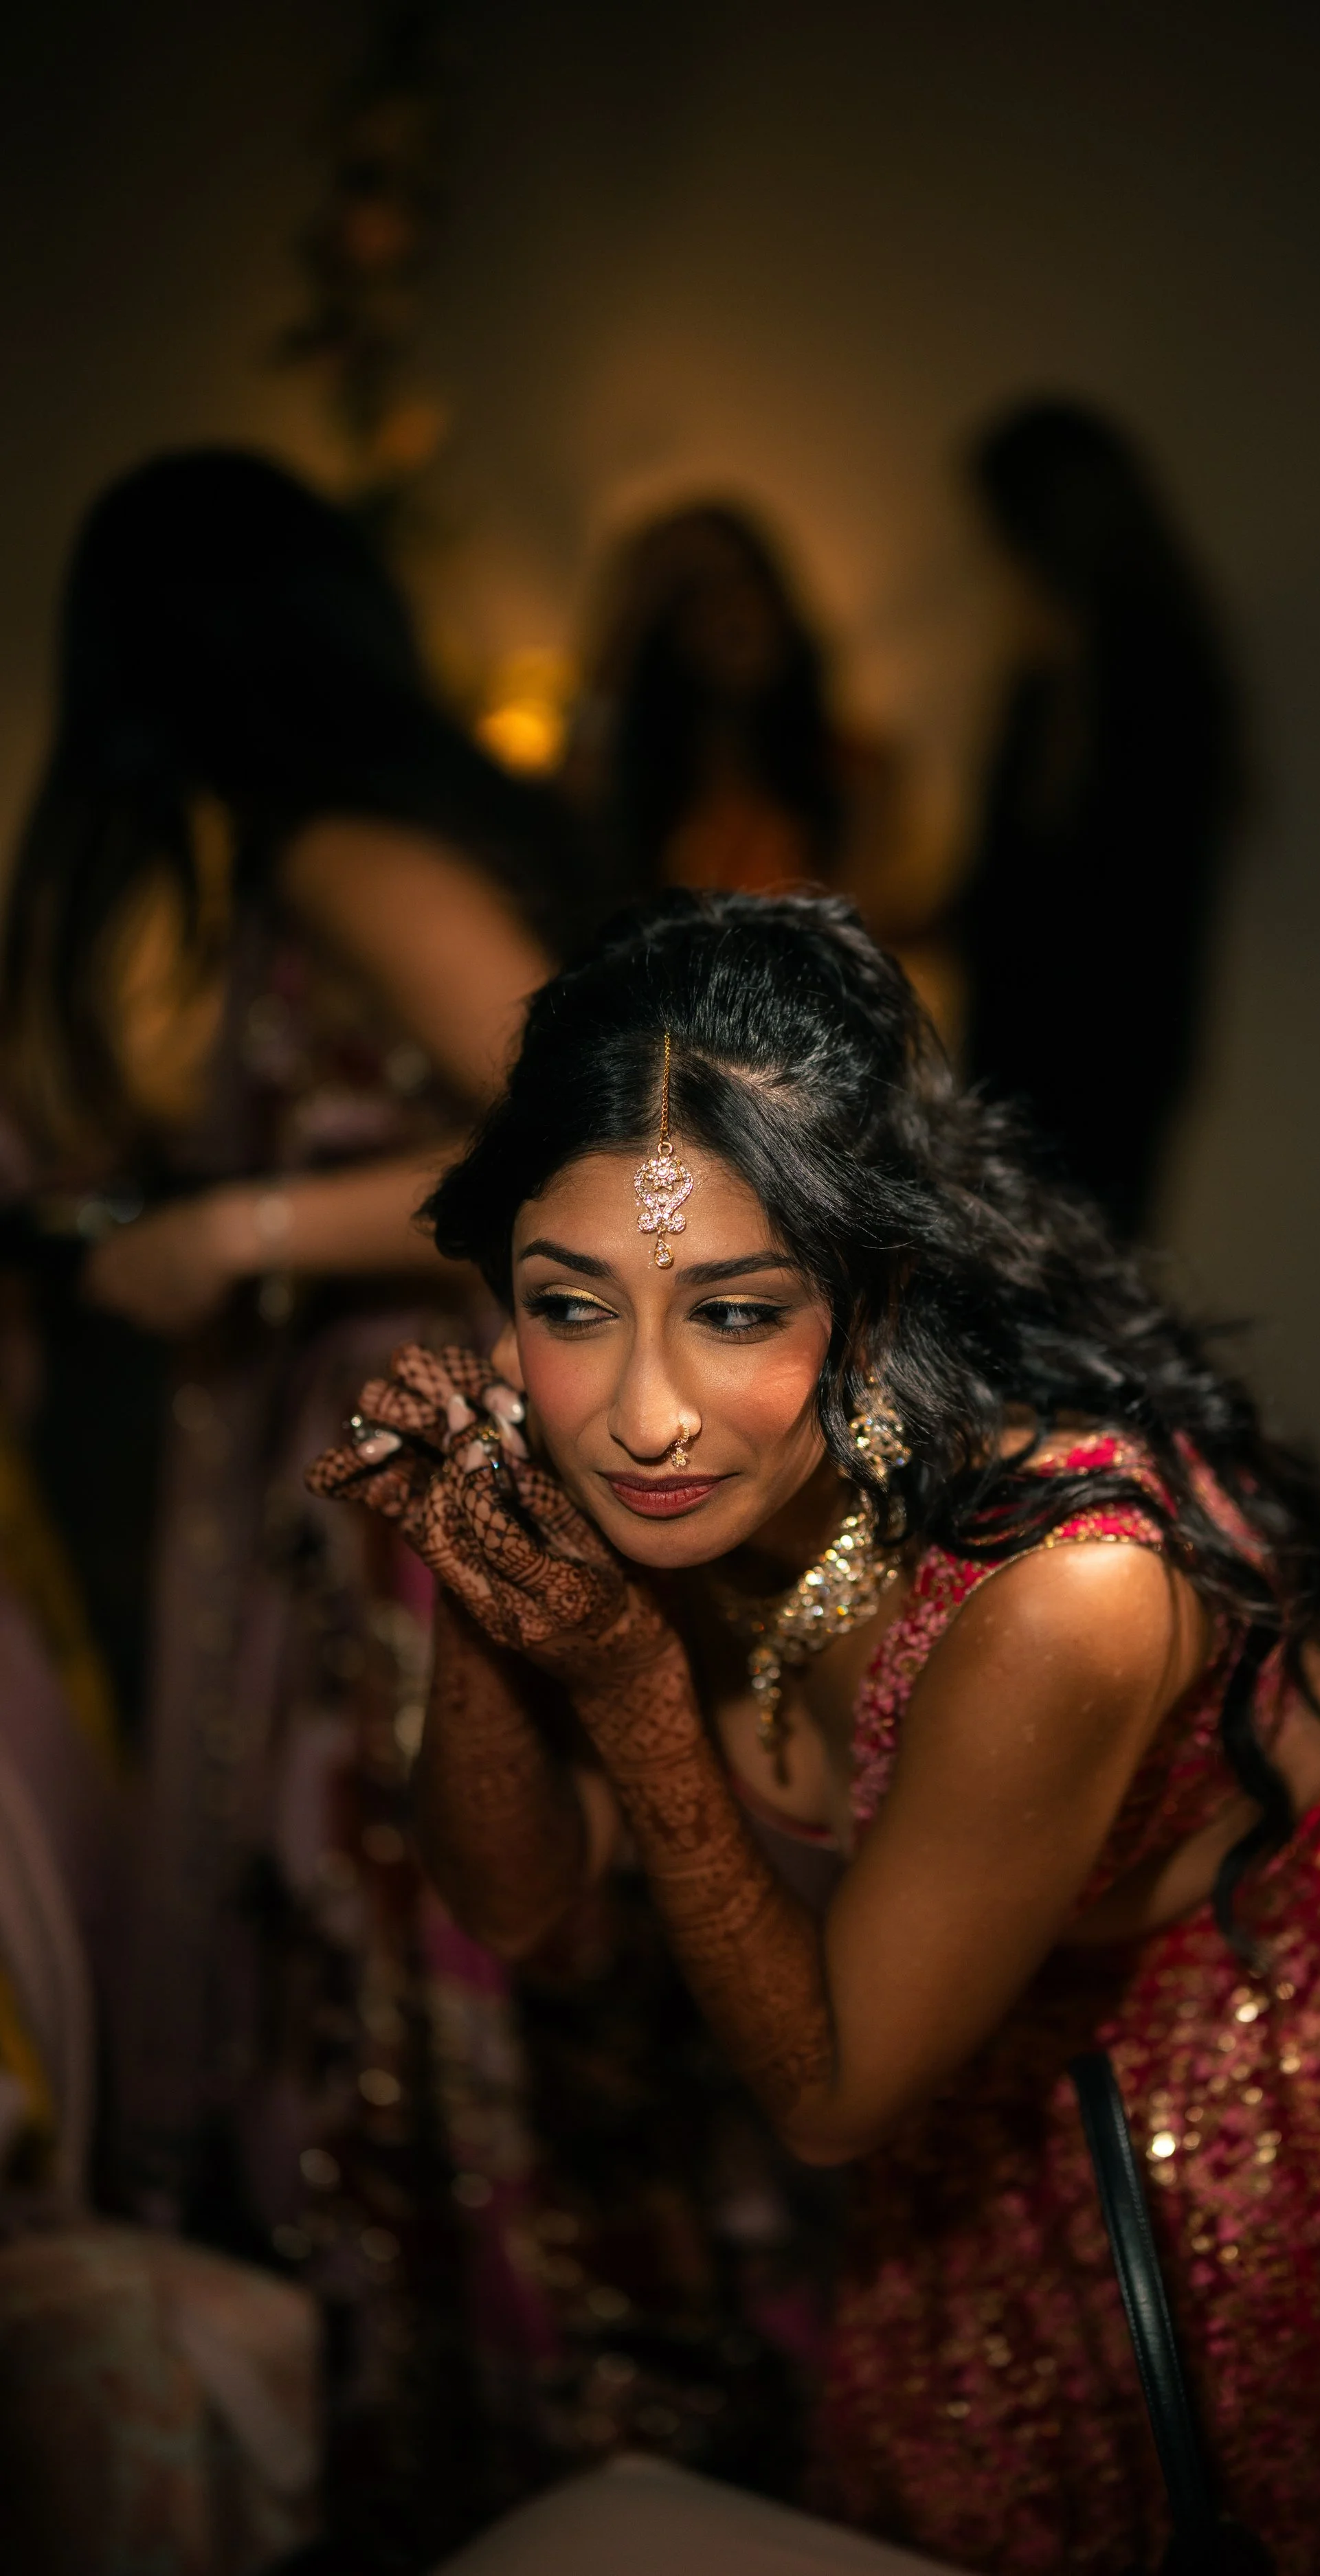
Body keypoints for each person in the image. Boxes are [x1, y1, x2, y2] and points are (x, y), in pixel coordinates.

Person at [311, 889, 1320, 2576]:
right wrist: (483, 1565)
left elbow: (831, 2095)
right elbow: (525, 1903)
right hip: (982, 2051)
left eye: (740, 1310)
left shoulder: (1065, 1588)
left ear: (875, 1293)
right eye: (573, 1303)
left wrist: (621, 1678)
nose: (644, 1411)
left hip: (1283, 2015)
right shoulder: (656, 1471)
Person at [0, 452, 788, 2560]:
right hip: (377, 1444)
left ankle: (520, 2417)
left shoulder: (346, 848)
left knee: (428, 1928)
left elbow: (601, 1134)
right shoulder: (353, 841)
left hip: (408, 1453)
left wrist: (245, 1226)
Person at [960, 398, 1243, 1240]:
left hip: (1082, 1050)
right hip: (1087, 1047)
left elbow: (1069, 889)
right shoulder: (1109, 670)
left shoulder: (1118, 678)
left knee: (1052, 1296)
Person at [565, 503, 901, 908]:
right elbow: (567, 823)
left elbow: (849, 942)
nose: (729, 610)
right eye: (693, 593)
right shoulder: (632, 786)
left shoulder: (852, 776)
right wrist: (624, 632)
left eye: (743, 580)